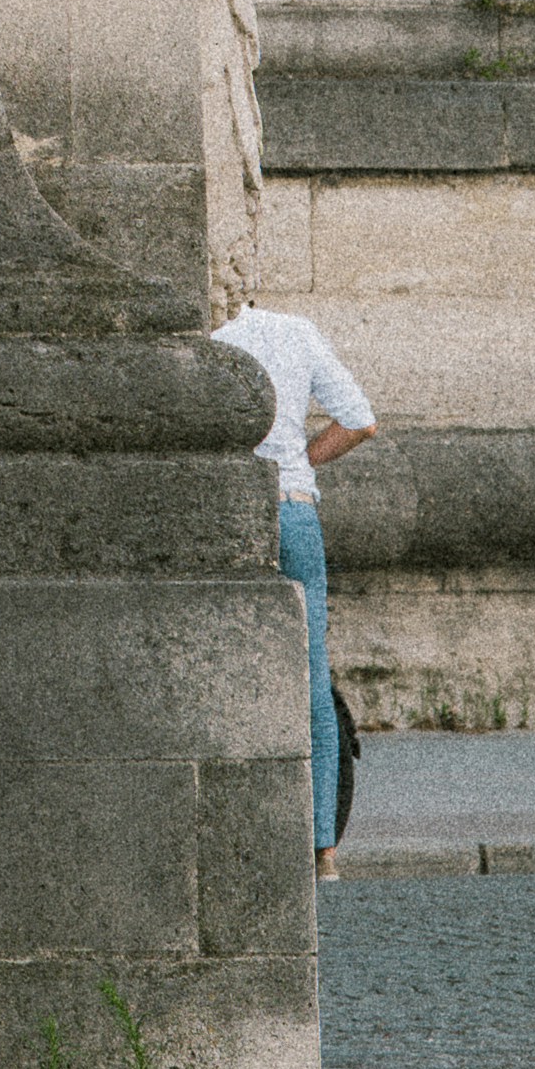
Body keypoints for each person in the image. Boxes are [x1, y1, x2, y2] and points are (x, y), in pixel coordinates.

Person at [214, 281, 375, 870]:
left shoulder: (201, 338)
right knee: (311, 679)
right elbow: (359, 422)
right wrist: (300, 461)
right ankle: (323, 850)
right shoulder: (294, 330)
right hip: (294, 507)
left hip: (229, 512)